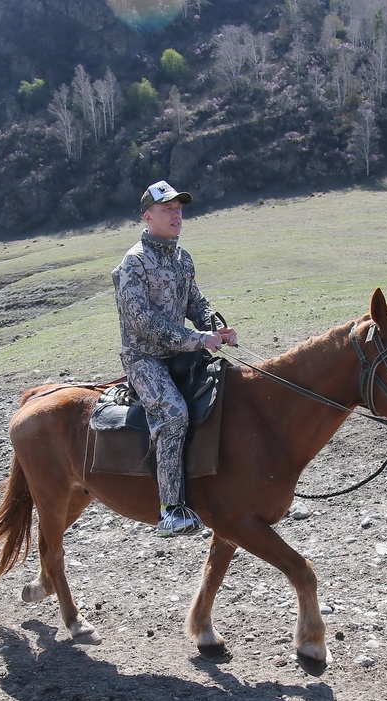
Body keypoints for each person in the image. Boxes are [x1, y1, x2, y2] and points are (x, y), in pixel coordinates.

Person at [111, 180, 238, 537]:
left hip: (183, 354)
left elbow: (197, 302)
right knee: (174, 412)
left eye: (179, 209)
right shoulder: (134, 263)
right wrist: (198, 339)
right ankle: (171, 509)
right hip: (145, 360)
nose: (176, 215)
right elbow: (143, 323)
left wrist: (218, 327)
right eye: (168, 210)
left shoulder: (182, 257)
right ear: (148, 216)